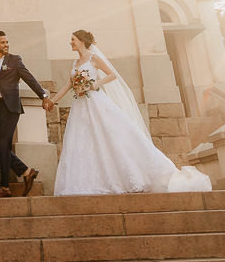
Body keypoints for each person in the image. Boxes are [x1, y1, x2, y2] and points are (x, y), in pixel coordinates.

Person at [51, 29, 211, 196]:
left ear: (81, 41)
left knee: (112, 135)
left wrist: (94, 84)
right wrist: (51, 101)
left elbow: (112, 75)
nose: (70, 42)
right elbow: (67, 86)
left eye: (73, 39)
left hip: (96, 103)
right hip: (80, 107)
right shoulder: (75, 64)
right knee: (82, 140)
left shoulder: (94, 58)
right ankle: (87, 181)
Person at [0, 31, 54, 198]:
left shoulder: (15, 60)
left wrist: (44, 96)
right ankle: (26, 171)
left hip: (11, 107)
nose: (6, 45)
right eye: (2, 42)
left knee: (3, 143)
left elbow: (29, 78)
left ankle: (4, 187)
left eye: (7, 42)